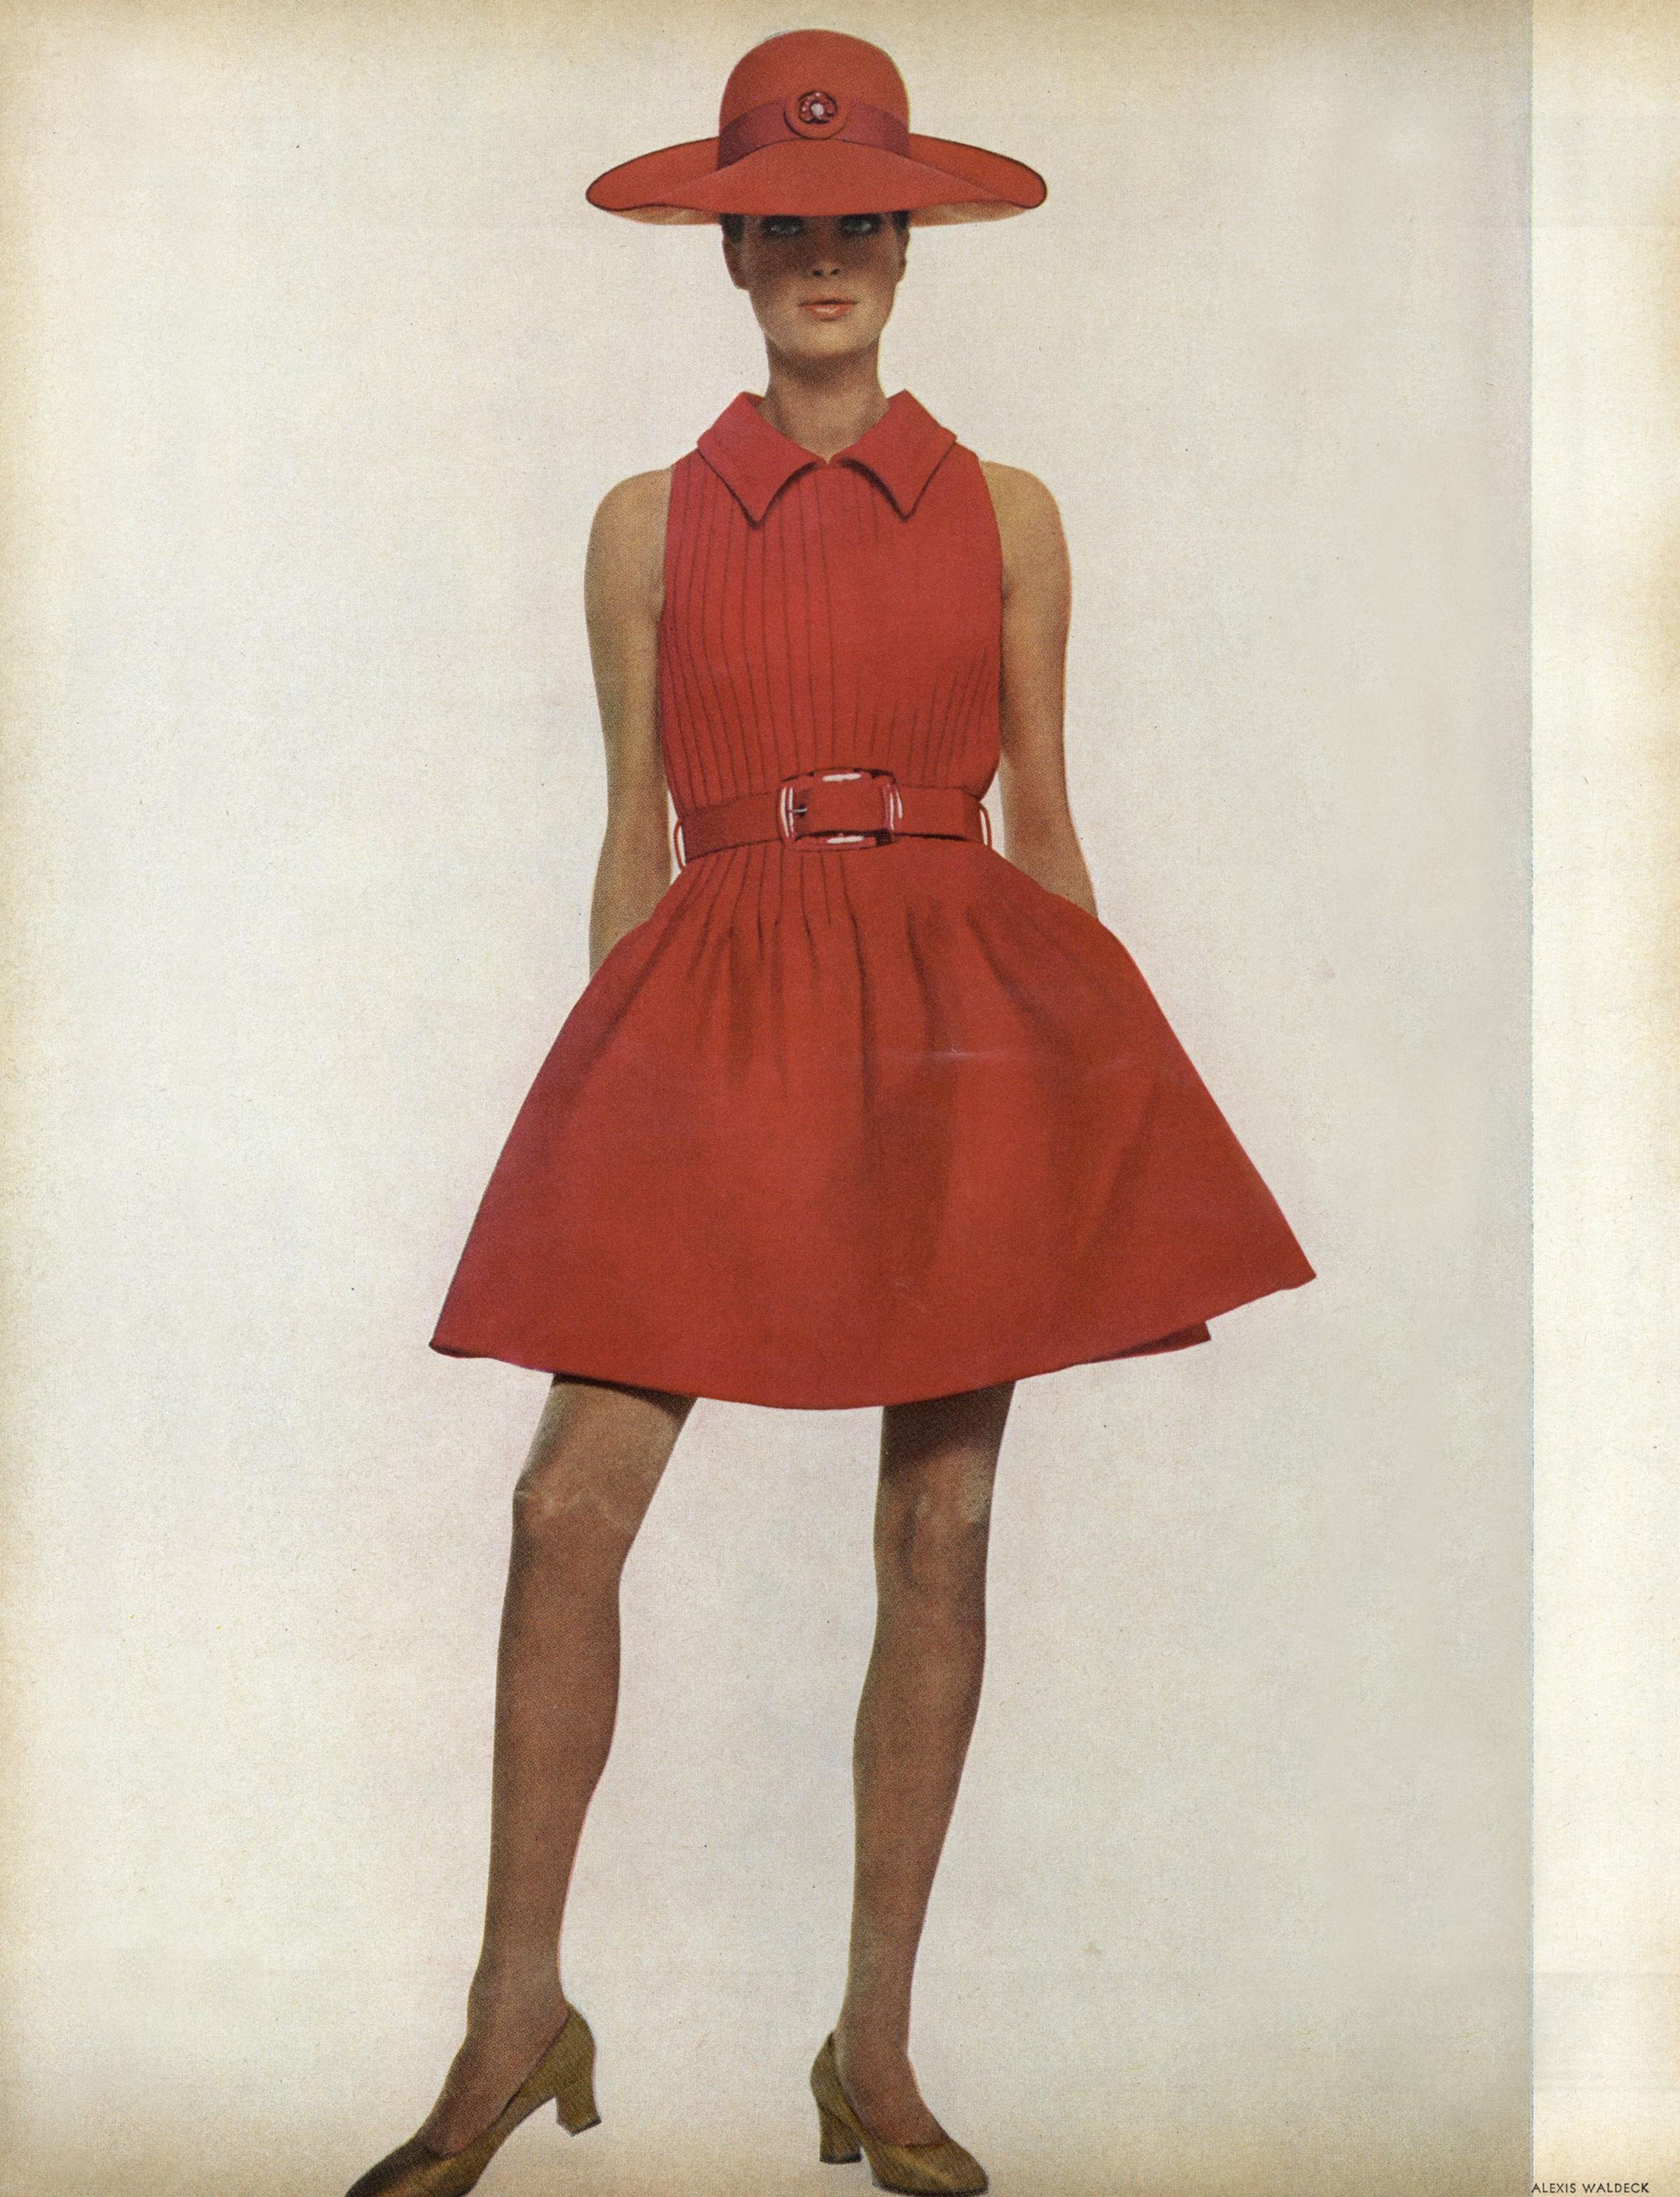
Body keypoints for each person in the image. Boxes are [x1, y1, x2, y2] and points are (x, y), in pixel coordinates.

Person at [343, 28, 1315, 2197]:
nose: (823, 253)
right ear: (730, 252)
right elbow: (629, 841)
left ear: (905, 239)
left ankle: (876, 2053)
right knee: (567, 1505)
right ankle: (512, 2015)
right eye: (783, 222)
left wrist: (1094, 1124)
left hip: (960, 1022)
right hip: (720, 1003)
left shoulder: (1013, 513)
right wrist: (610, 1113)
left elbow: (1051, 831)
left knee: (941, 1526)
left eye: (858, 216)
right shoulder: (643, 525)